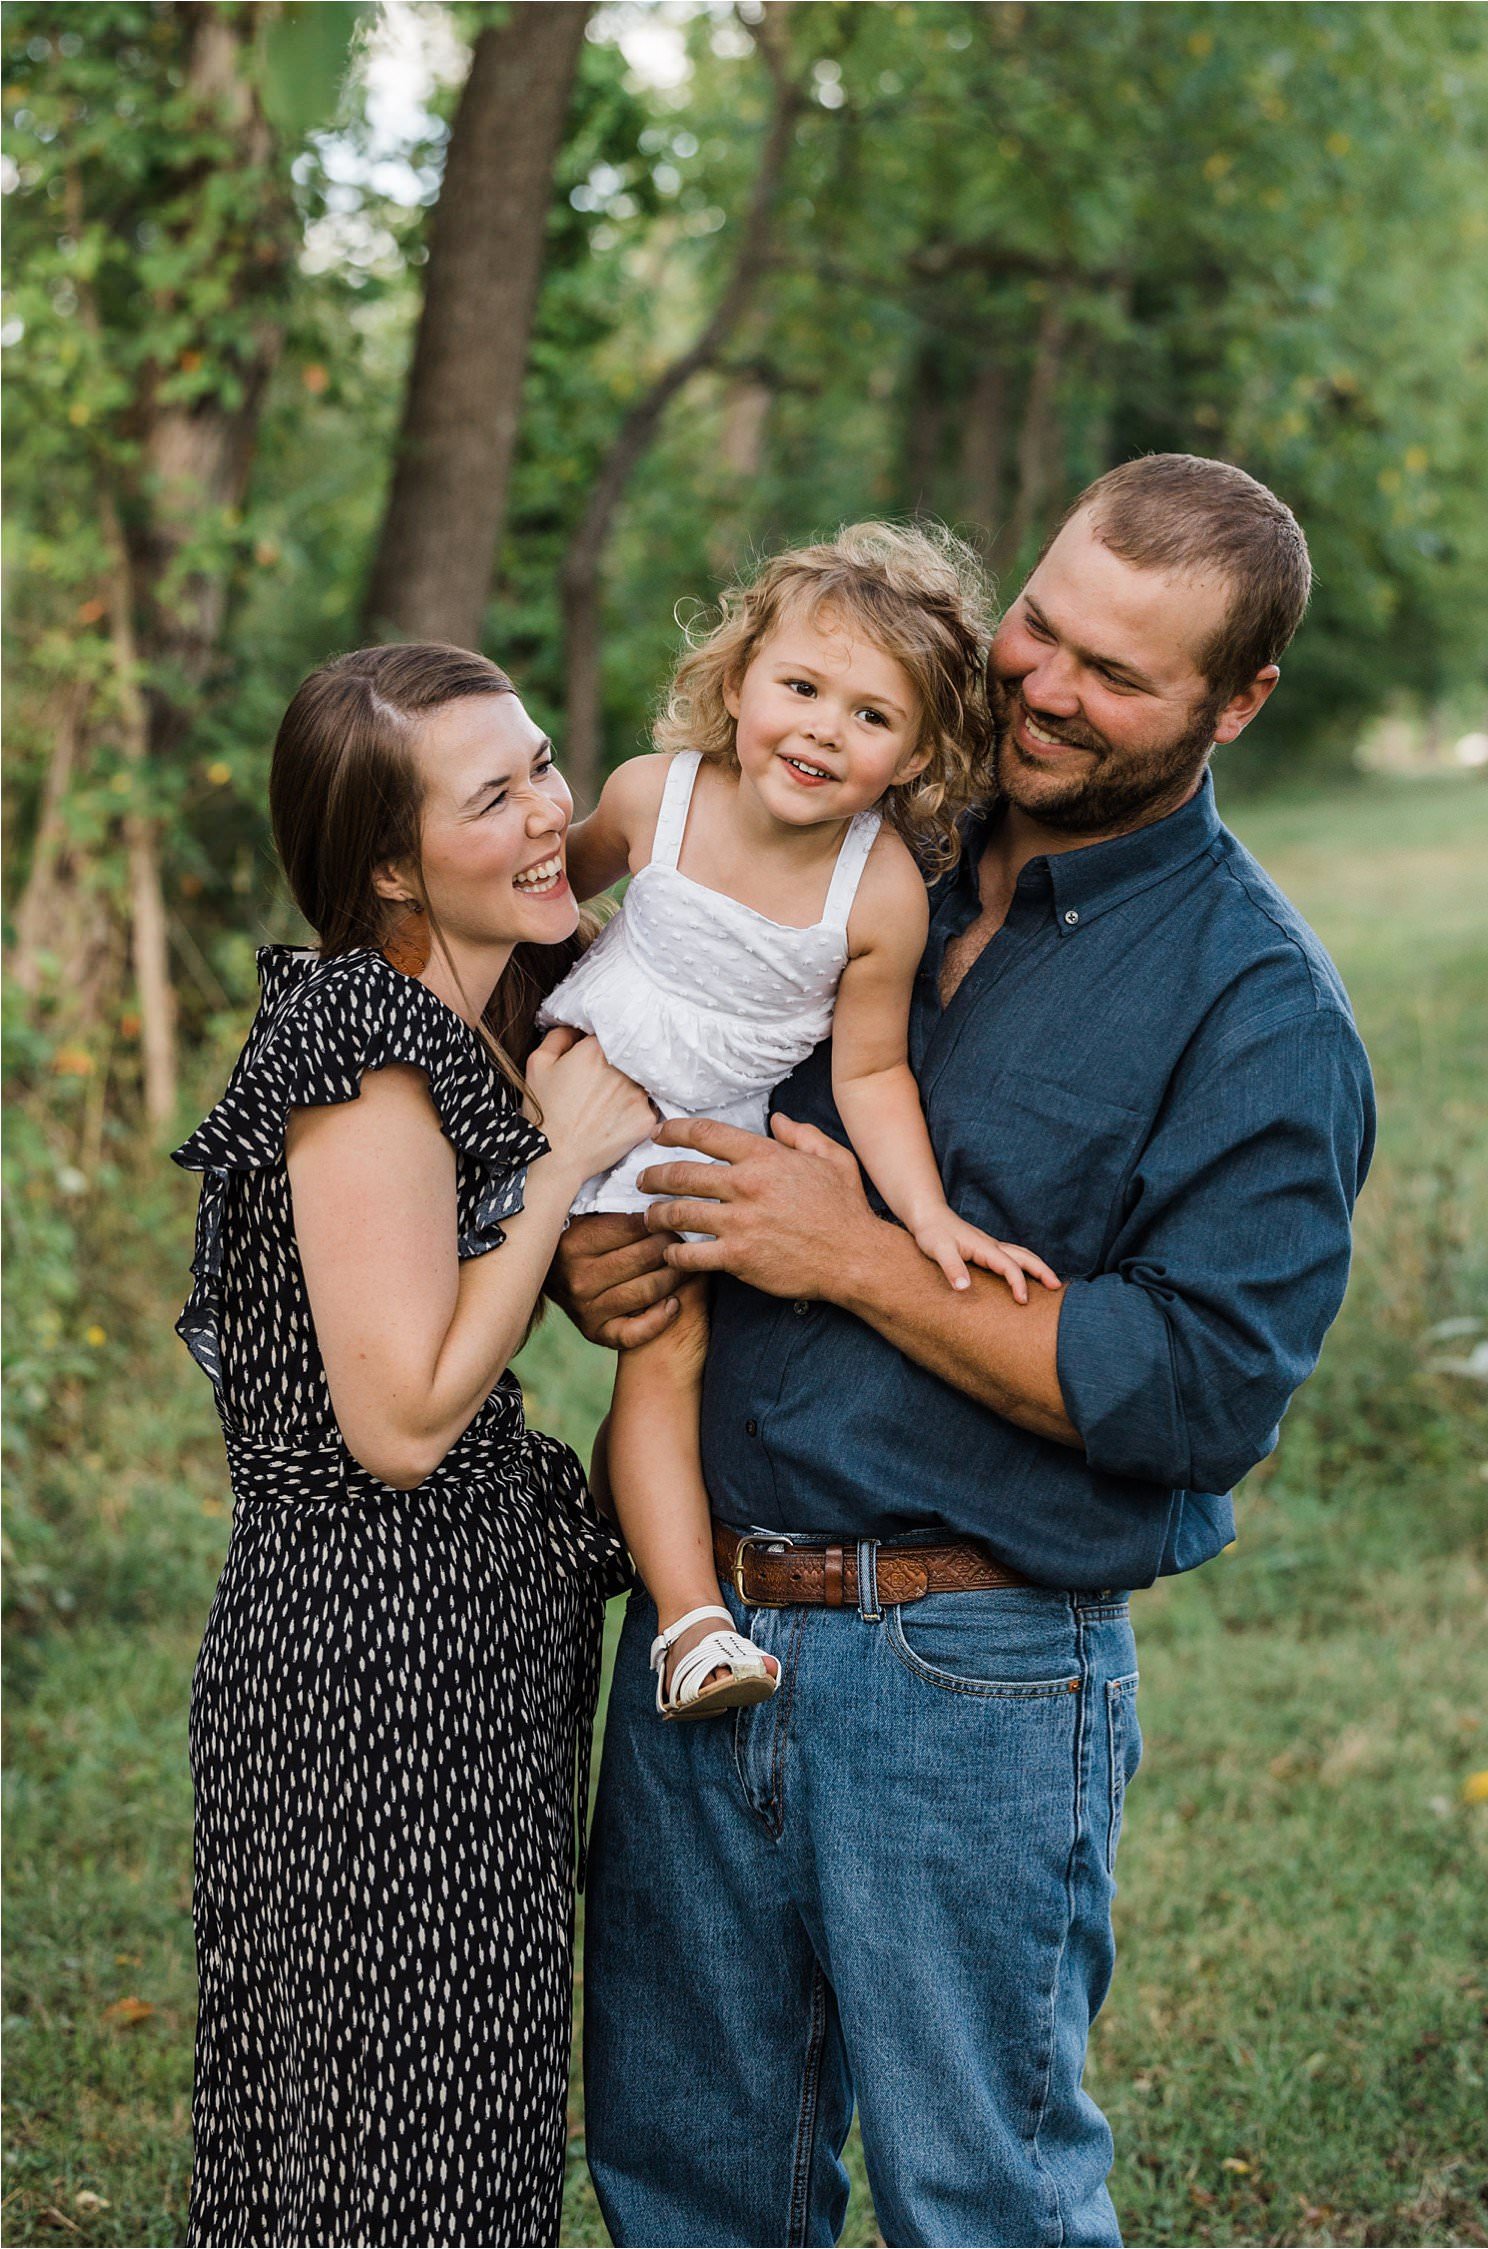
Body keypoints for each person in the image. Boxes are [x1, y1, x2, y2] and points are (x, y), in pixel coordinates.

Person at [557, 455, 1377, 2248]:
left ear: (1237, 703)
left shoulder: (1255, 1006)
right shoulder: (851, 841)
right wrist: (601, 1255)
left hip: (969, 1670)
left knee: (978, 2200)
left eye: (1120, 674)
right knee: (684, 2184)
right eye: (1041, 629)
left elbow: (1199, 1387)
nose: (1047, 687)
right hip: (701, 1617)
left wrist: (851, 1255)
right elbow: (651, 1058)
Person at [171, 644, 654, 2248]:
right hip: (373, 1672)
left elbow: (647, 815)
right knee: (392, 2141)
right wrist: (563, 1165)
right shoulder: (366, 1064)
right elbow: (397, 1418)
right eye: (494, 793)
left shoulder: (442, 1018)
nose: (549, 812)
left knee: (444, 2113)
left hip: (442, 1647)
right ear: (388, 862)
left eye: (540, 761)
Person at [541, 525, 1056, 1721]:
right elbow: (540, 902)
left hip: (689, 1143)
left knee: (664, 1357)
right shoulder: (650, 797)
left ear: (918, 754)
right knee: (462, 1310)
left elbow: (872, 1075)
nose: (825, 727)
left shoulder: (876, 893)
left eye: (873, 716)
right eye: (802, 687)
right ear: (738, 683)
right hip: (559, 1083)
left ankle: (688, 1626)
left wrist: (926, 1215)